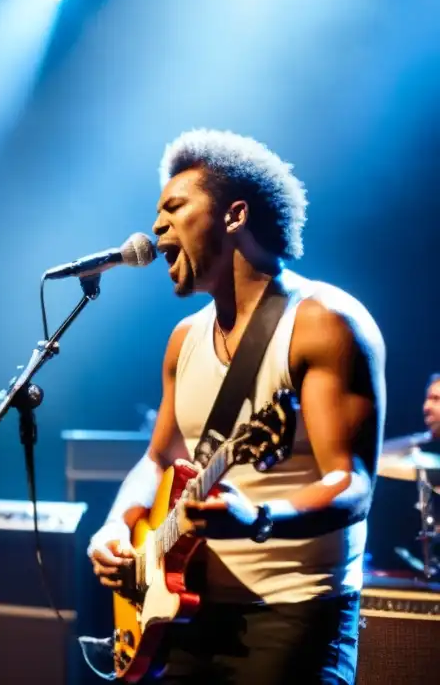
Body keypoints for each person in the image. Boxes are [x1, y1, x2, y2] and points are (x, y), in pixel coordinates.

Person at [87, 129, 385, 684]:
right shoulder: (184, 339)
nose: (155, 229)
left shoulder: (323, 322)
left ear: (233, 216)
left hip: (293, 615)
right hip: (188, 611)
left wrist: (260, 518)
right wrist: (116, 526)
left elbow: (354, 482)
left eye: (174, 208)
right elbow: (157, 461)